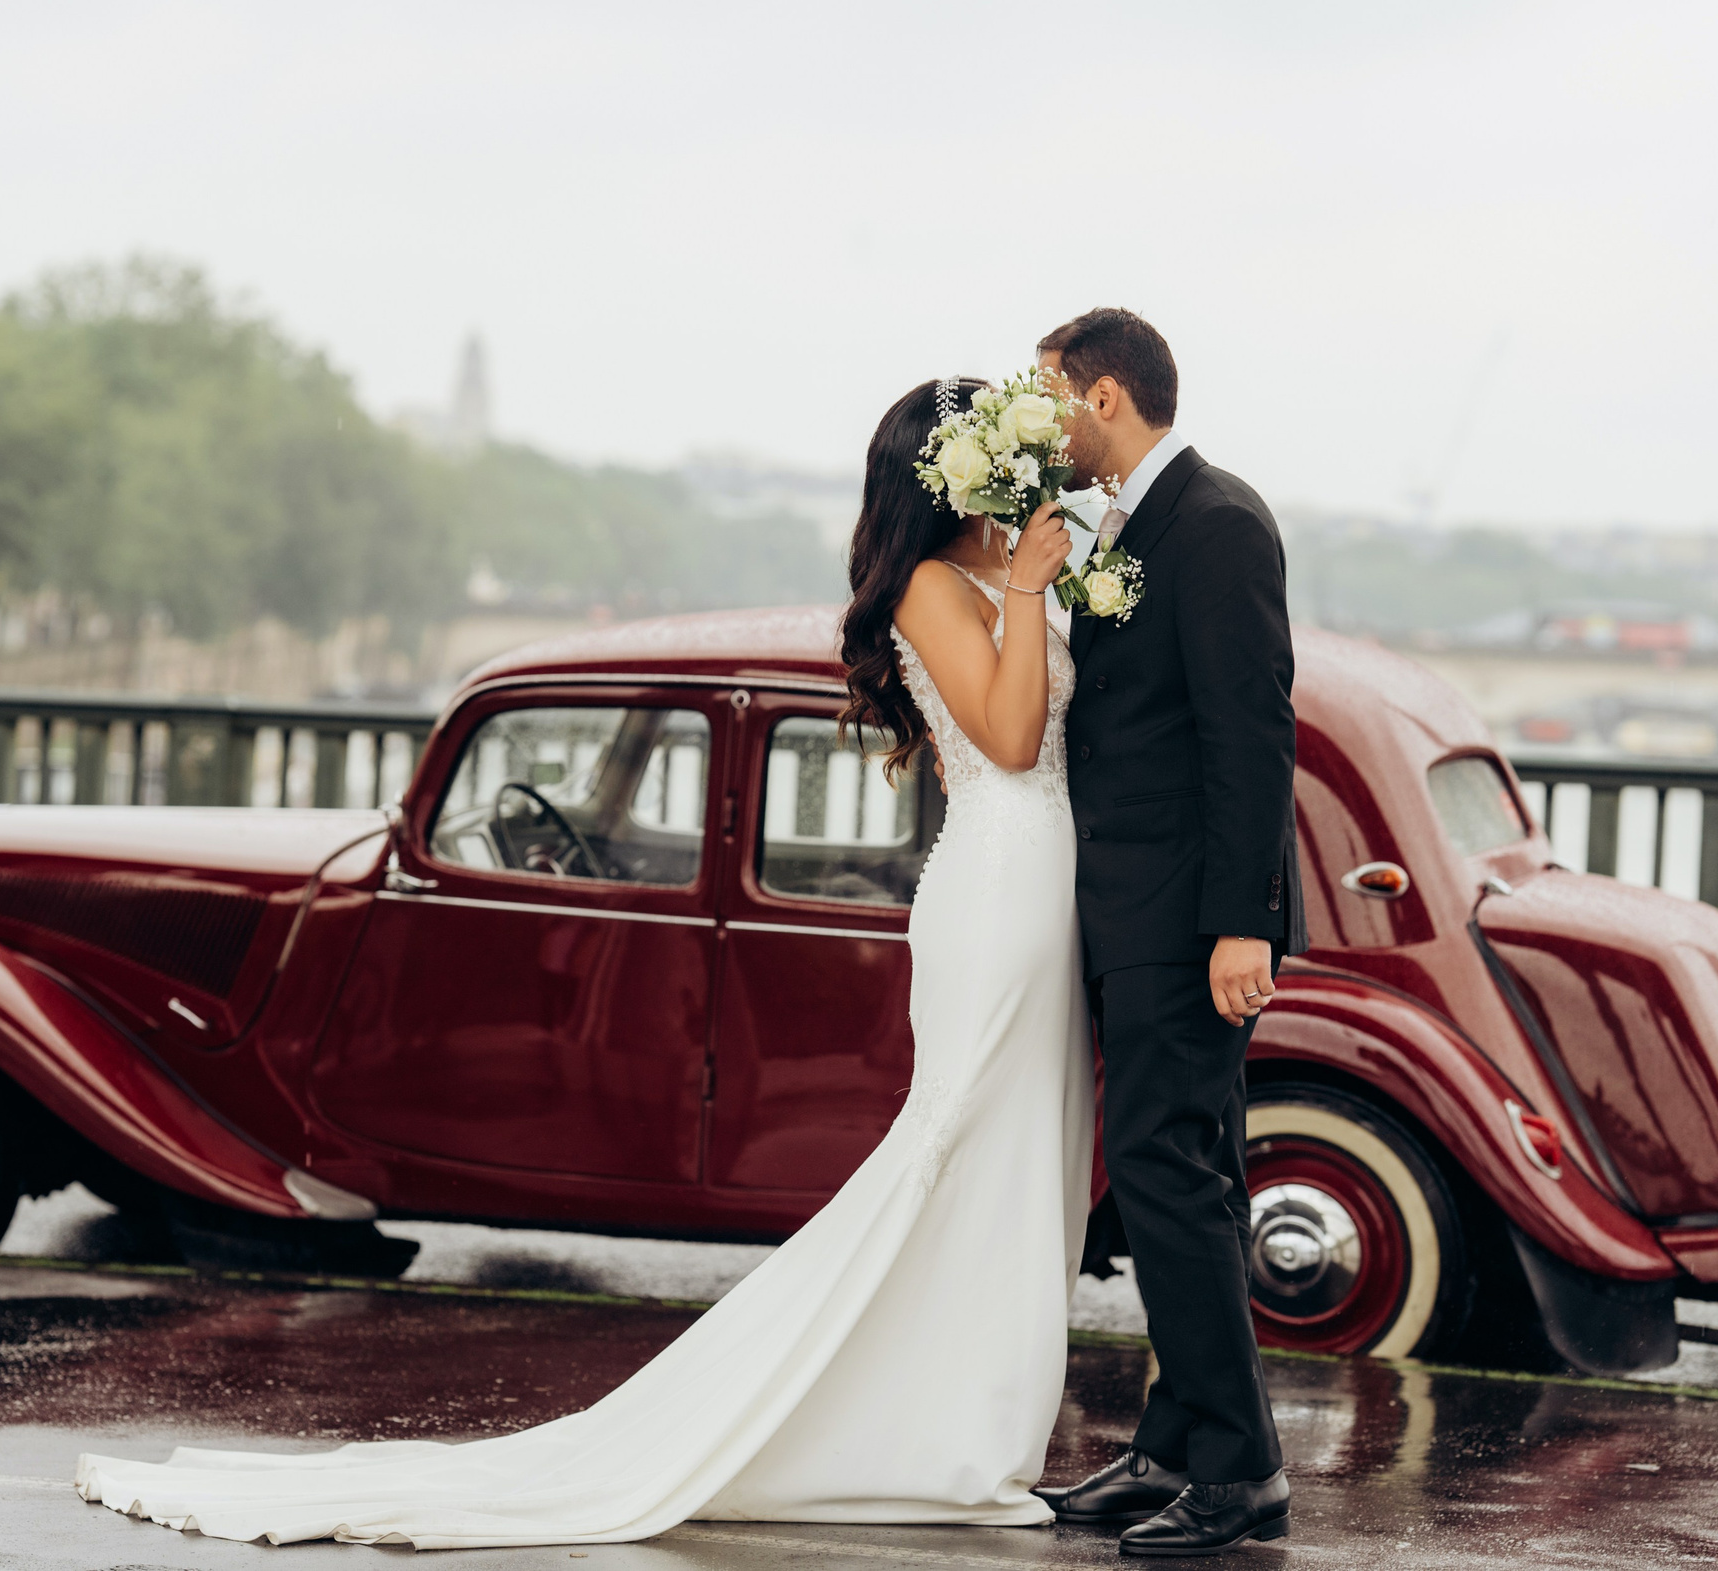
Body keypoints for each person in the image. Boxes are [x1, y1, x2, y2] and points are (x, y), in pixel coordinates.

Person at [72, 375, 1095, 1550]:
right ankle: (934, 1431)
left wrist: (1037, 589)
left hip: (1044, 883)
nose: (1022, 481)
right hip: (999, 880)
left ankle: (971, 1419)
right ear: (953, 477)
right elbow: (1011, 739)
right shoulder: (930, 586)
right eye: (1000, 464)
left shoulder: (994, 580)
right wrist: (1028, 587)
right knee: (963, 1141)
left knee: (1027, 1153)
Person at [1029, 308, 1304, 1554]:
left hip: (1189, 919)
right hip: (1132, 907)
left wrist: (1238, 926)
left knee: (1162, 1176)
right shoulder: (1129, 525)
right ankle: (1173, 1445)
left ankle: (1240, 1470)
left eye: (1049, 397)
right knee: (1187, 1174)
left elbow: (1249, 740)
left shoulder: (1219, 523)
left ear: (1100, 399)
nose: (1041, 422)